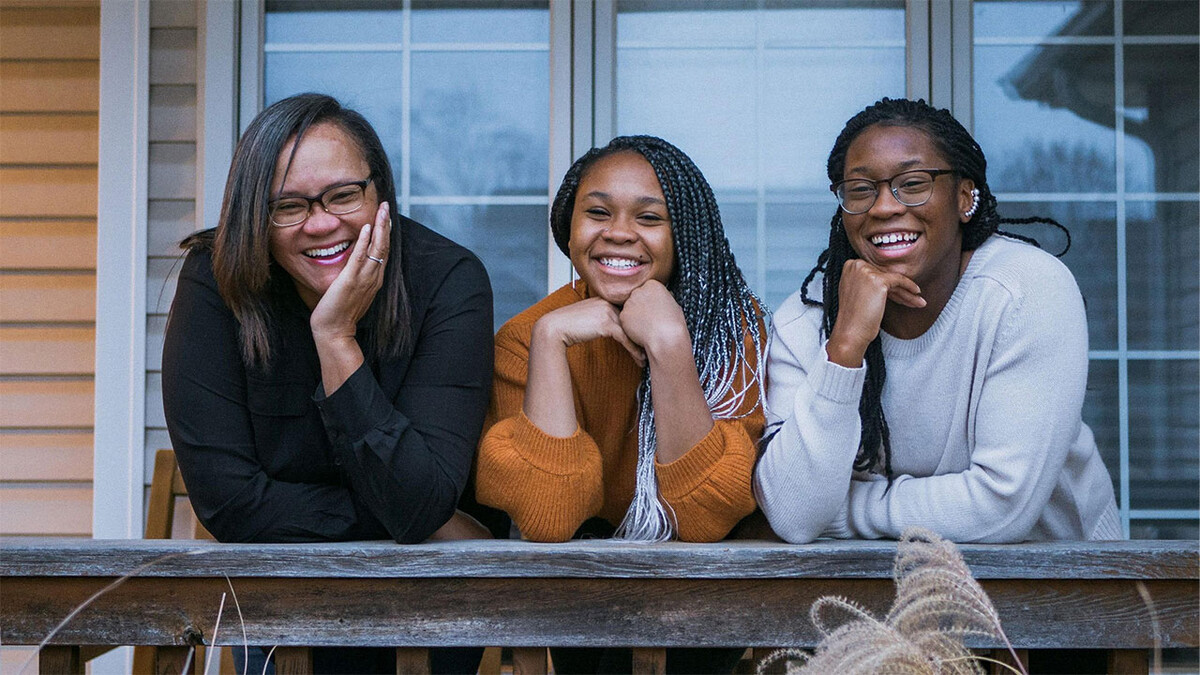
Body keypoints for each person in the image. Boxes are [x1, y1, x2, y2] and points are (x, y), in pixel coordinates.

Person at [161, 93, 492, 673]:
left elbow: (419, 499)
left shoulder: (447, 281)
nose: (323, 223)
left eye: (343, 195)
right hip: (280, 608)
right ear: (253, 217)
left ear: (380, 192)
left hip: (425, 604)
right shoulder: (217, 282)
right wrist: (427, 522)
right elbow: (229, 502)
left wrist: (336, 340)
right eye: (288, 206)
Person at [754, 97, 1121, 546]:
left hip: (1068, 586)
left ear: (965, 198)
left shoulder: (1024, 290)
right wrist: (845, 347)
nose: (885, 206)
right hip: (864, 594)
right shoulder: (805, 321)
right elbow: (793, 515)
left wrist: (846, 512)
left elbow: (1001, 507)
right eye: (860, 189)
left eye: (913, 183)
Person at [475, 135, 767, 673]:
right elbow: (550, 516)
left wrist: (670, 343)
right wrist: (551, 339)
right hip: (583, 606)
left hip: (705, 605)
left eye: (649, 218)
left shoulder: (734, 331)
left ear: (685, 235)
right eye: (597, 213)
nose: (619, 233)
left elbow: (705, 517)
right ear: (569, 226)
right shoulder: (525, 338)